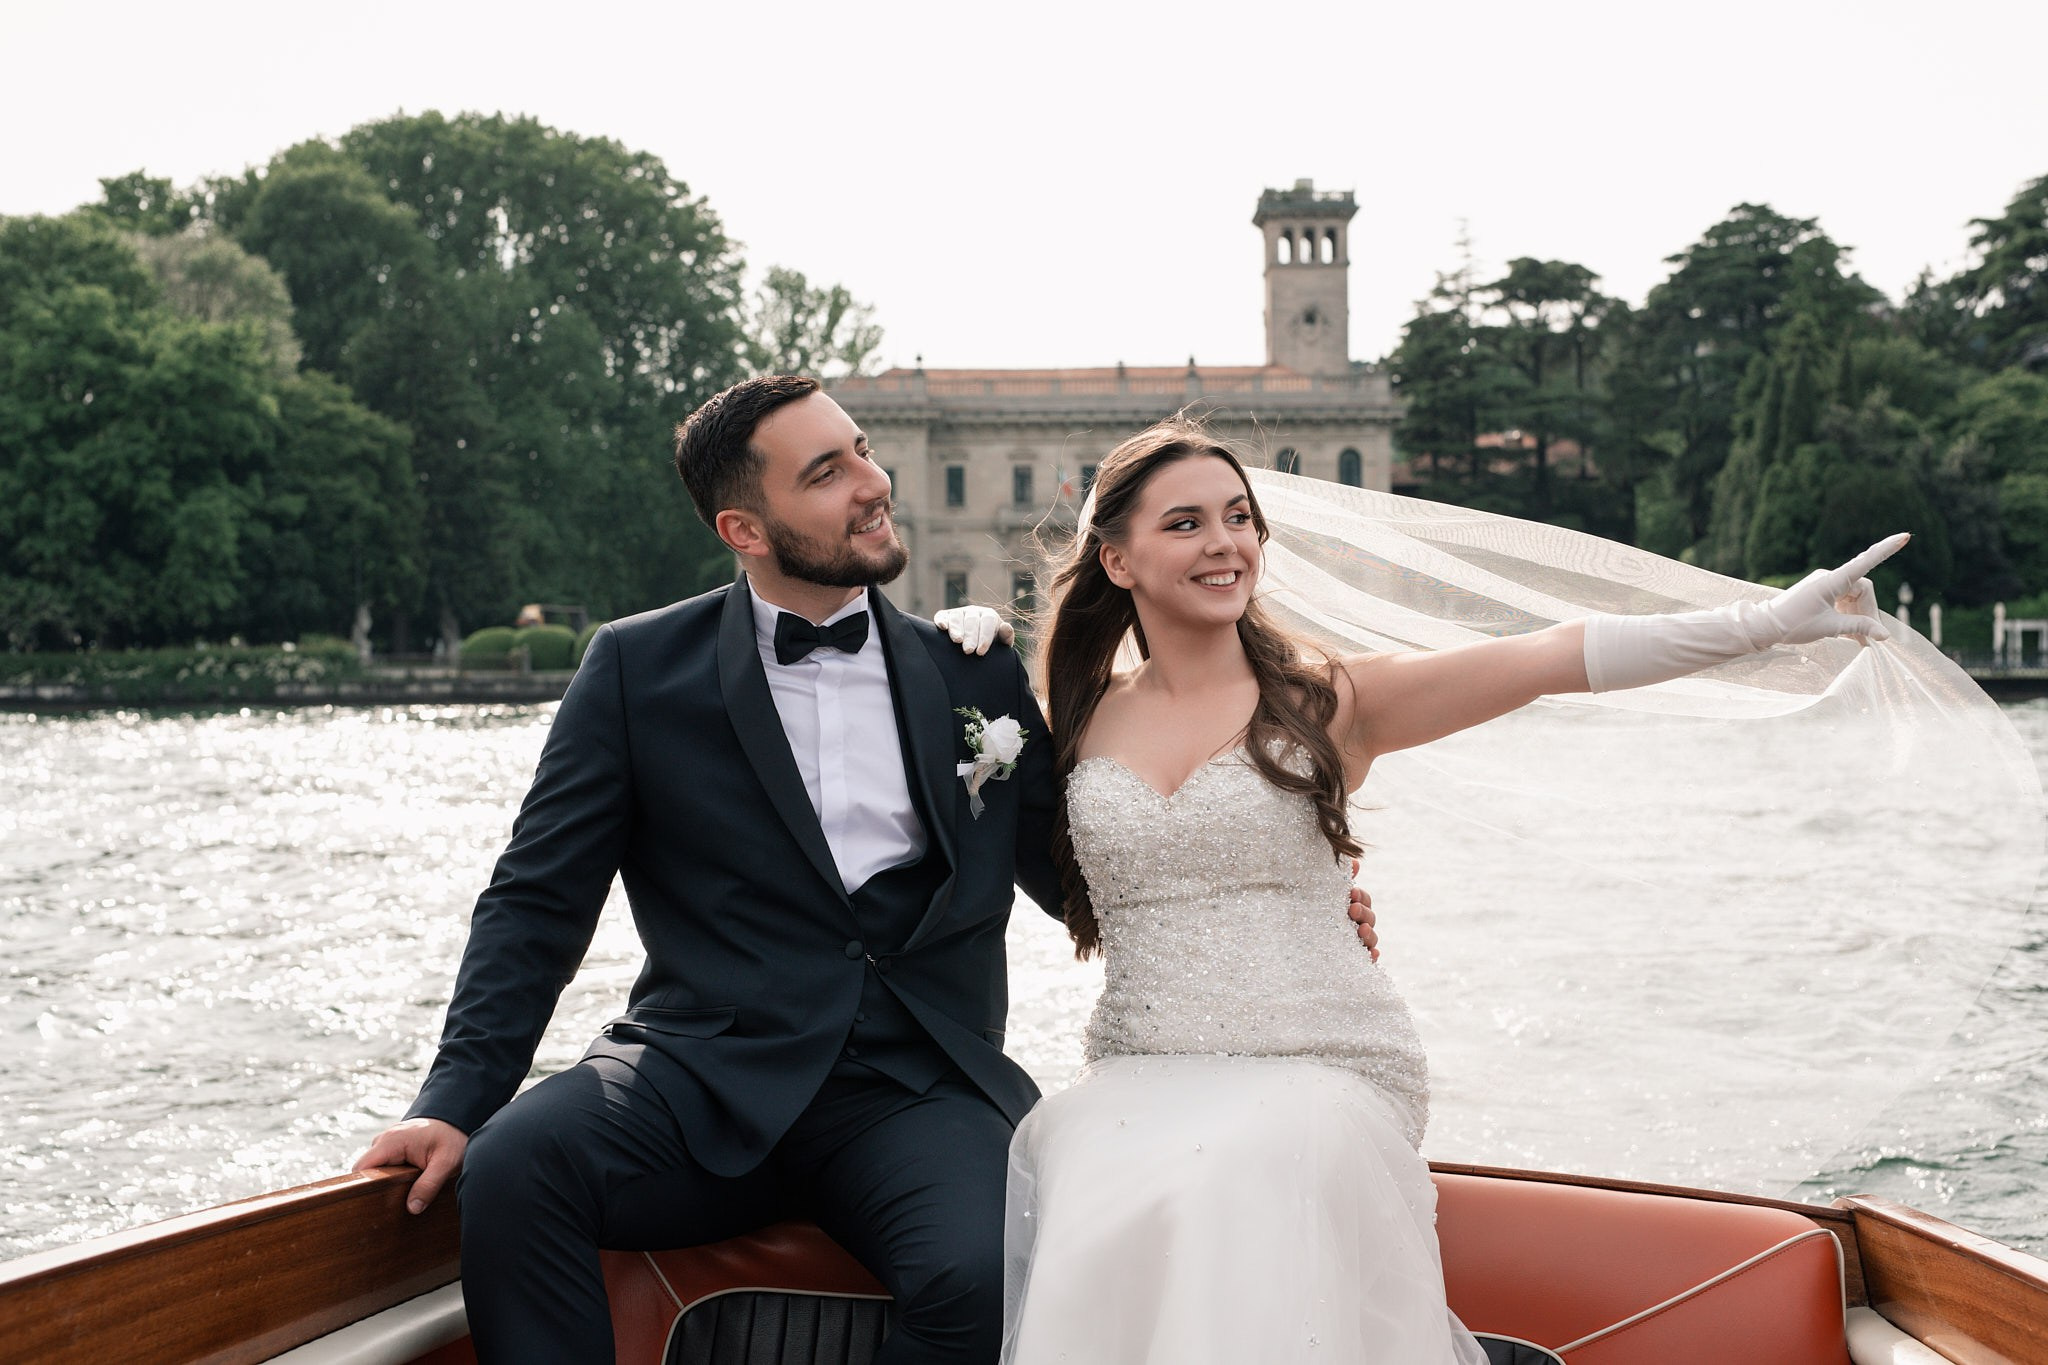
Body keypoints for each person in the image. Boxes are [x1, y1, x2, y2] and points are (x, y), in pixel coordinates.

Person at [352, 376, 1379, 1365]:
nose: (871, 481)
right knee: (514, 1172)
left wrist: (1280, 899)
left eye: (864, 453)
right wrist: (453, 1098)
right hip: (697, 1073)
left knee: (985, 1280)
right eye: (826, 472)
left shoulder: (968, 671)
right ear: (742, 529)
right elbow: (536, 900)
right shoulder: (633, 669)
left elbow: (1084, 872)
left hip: (917, 1089)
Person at [997, 417, 1903, 1364]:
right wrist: (960, 650)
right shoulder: (1073, 720)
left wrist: (1759, 624)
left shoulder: (1331, 700)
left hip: (1321, 1060)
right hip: (1146, 1066)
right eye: (1185, 523)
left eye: (1239, 516)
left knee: (1248, 1164)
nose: (1225, 542)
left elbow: (1554, 656)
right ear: (1116, 558)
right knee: (1088, 1155)